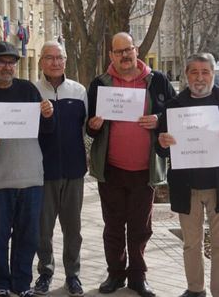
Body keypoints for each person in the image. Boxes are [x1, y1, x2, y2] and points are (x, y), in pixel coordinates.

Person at [87, 32, 175, 297]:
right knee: (113, 225)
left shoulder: (157, 80)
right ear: (111, 55)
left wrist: (159, 119)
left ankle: (138, 277)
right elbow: (90, 125)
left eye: (128, 50)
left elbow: (174, 113)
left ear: (136, 50)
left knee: (141, 227)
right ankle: (115, 275)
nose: (124, 55)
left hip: (144, 170)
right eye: (118, 51)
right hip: (111, 169)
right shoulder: (100, 83)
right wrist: (93, 126)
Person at [0, 41, 54, 297]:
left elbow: (46, 132)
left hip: (31, 177)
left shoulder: (28, 89)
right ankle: (0, 285)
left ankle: (21, 286)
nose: (7, 67)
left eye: (11, 62)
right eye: (1, 61)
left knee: (27, 237)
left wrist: (47, 115)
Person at [156, 53, 219, 297]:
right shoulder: (174, 106)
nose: (200, 77)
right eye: (195, 72)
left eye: (205, 72)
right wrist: (162, 141)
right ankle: (195, 289)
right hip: (187, 186)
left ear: (213, 74)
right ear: (186, 75)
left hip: (217, 185)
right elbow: (160, 147)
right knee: (191, 243)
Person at [32, 41, 87, 296]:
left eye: (59, 58)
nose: (55, 62)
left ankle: (73, 274)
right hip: (42, 171)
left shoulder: (78, 91)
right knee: (43, 228)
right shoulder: (32, 91)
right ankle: (45, 272)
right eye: (49, 58)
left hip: (74, 171)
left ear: (65, 60)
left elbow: (88, 130)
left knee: (73, 228)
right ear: (41, 61)